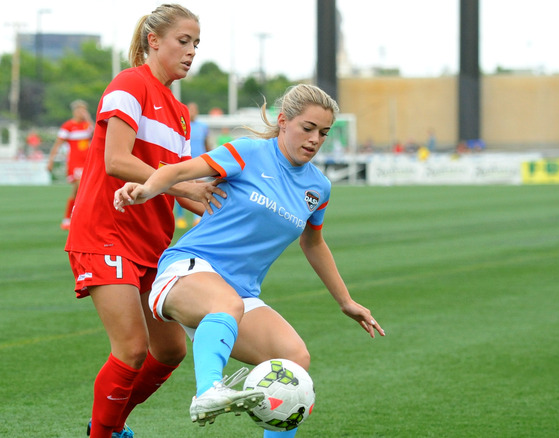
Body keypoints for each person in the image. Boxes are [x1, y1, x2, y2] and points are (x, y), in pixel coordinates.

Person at [114, 84, 386, 437]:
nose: (315, 139)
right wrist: (144, 190)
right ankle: (208, 392)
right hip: (187, 270)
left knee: (294, 360)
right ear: (284, 122)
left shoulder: (318, 188)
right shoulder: (248, 153)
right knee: (225, 305)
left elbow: (314, 243)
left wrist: (346, 301)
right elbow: (179, 172)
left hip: (239, 295)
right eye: (308, 128)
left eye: (323, 132)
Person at [63, 5, 224, 438]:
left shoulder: (180, 111)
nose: (191, 52)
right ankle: (104, 433)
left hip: (153, 242)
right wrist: (180, 189)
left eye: (196, 44)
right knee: (132, 349)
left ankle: (108, 424)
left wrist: (237, 210)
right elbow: (117, 161)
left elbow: (179, 183)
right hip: (106, 232)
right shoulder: (128, 85)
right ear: (154, 41)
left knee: (169, 350)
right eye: (183, 41)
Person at [47, 99, 95, 230]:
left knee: (79, 191)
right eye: (80, 109)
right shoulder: (68, 126)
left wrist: (89, 119)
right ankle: (71, 218)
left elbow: (97, 135)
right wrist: (50, 160)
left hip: (88, 162)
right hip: (75, 163)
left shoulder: (87, 125)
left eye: (84, 110)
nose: (82, 112)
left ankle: (70, 218)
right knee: (80, 186)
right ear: (74, 111)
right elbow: (57, 144)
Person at [175, 101, 212, 228]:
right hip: (186, 163)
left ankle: (198, 218)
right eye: (191, 109)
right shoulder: (182, 125)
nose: (193, 112)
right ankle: (181, 218)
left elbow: (207, 144)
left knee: (201, 189)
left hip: (201, 163)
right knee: (182, 189)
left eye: (195, 110)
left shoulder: (203, 126)